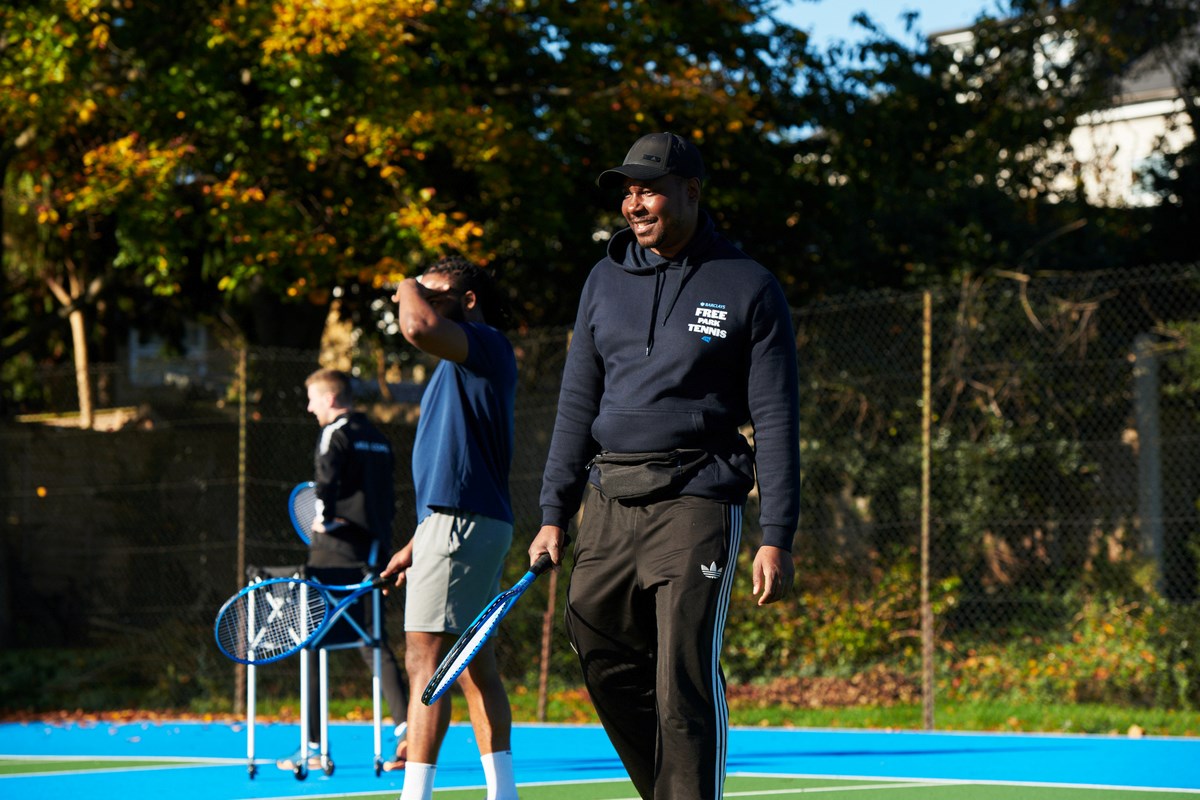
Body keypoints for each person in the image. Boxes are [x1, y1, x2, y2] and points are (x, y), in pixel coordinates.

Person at [528, 132, 800, 800]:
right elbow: (576, 401)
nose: (634, 203)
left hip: (698, 497)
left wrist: (777, 535)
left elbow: (775, 418)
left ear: (691, 192)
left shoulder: (748, 286)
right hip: (610, 500)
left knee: (682, 674)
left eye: (648, 188)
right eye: (627, 190)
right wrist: (552, 512)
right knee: (594, 643)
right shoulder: (603, 279)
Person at [381, 256, 519, 800]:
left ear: (465, 303)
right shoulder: (459, 364)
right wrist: (419, 541)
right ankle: (502, 794)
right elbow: (461, 469)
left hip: (461, 528)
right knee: (471, 667)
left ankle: (414, 796)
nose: (417, 304)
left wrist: (403, 282)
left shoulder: (482, 343)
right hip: (460, 525)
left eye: (432, 296)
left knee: (426, 661)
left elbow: (415, 326)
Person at [276, 368, 410, 772]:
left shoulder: (335, 432)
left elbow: (326, 482)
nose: (309, 406)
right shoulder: (379, 438)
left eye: (313, 399)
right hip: (373, 550)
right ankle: (409, 733)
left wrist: (325, 516)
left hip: (335, 550)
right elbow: (385, 496)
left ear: (331, 399)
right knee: (374, 642)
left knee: (313, 640)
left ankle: (314, 746)